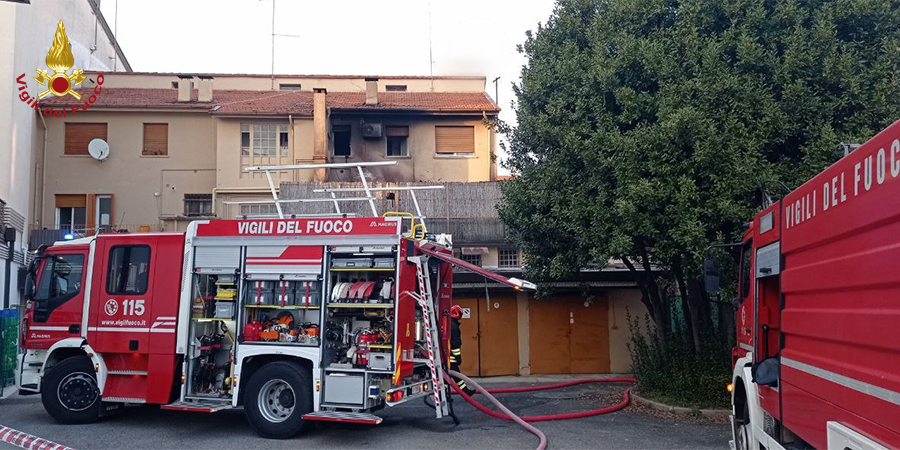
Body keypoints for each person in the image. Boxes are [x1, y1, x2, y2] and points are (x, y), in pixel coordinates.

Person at [449, 305, 475, 396]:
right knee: (456, 375)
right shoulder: (454, 326)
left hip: (447, 357)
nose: (461, 315)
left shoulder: (450, 324)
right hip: (451, 358)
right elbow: (455, 343)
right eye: (460, 313)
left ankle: (443, 395)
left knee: (447, 377)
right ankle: (466, 392)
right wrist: (458, 357)